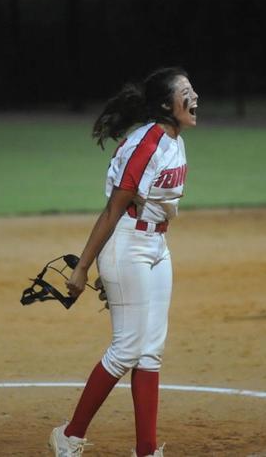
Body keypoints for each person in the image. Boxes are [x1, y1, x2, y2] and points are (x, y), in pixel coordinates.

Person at [48, 67, 198, 457]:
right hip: (128, 244)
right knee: (126, 348)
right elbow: (113, 211)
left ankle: (147, 451)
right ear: (167, 104)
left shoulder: (174, 141)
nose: (195, 96)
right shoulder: (145, 145)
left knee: (151, 351)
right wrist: (84, 267)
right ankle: (69, 435)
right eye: (186, 91)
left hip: (158, 247)